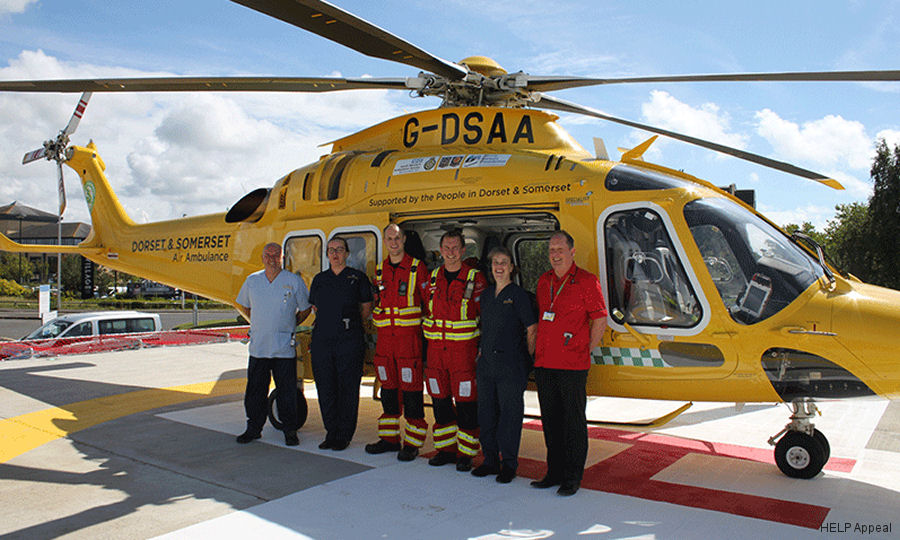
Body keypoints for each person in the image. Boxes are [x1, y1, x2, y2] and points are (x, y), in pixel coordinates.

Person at [531, 230, 607, 496]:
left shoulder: (587, 281)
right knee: (550, 421)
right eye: (551, 250)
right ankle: (554, 472)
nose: (555, 255)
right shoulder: (544, 281)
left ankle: (573, 477)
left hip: (573, 366)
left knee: (573, 422)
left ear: (572, 252)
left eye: (559, 250)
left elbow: (599, 320)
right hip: (545, 364)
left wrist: (585, 350)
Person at [422, 229, 487, 472]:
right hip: (436, 355)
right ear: (441, 251)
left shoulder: (475, 278)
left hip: (464, 355)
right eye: (446, 248)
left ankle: (466, 454)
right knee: (439, 402)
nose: (450, 252)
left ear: (463, 251)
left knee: (467, 402)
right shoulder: (432, 278)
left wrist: (482, 349)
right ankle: (445, 450)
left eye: (455, 248)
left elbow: (485, 316)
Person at [471, 246, 537, 484]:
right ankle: (490, 461)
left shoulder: (518, 295)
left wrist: (525, 360)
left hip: (511, 365)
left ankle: (509, 464)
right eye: (495, 263)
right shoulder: (487, 296)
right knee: (486, 414)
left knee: (510, 416)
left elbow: (532, 329)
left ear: (511, 267)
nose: (499, 267)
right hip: (487, 365)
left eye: (504, 263)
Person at [235, 242, 311, 446]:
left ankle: (290, 430)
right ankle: (253, 428)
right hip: (259, 347)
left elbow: (305, 309)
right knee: (255, 391)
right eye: (267, 255)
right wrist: (259, 322)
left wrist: (290, 324)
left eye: (275, 255)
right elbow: (244, 305)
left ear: (282, 258)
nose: (271, 258)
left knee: (287, 392)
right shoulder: (253, 281)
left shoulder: (293, 281)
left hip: (283, 348)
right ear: (262, 258)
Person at [365, 224, 430, 461]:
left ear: (403, 240)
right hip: (385, 345)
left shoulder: (416, 268)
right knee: (388, 393)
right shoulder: (380, 270)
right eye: (389, 238)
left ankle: (412, 444)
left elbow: (428, 305)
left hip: (408, 344)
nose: (394, 242)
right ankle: (389, 439)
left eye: (397, 238)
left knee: (412, 394)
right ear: (385, 240)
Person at [308, 236, 373, 451]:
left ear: (347, 253)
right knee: (325, 387)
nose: (335, 254)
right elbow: (316, 308)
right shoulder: (319, 280)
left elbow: (365, 309)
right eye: (331, 250)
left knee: (348, 388)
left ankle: (344, 435)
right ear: (327, 254)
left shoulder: (357, 278)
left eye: (339, 249)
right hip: (323, 342)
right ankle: (331, 432)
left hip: (349, 341)